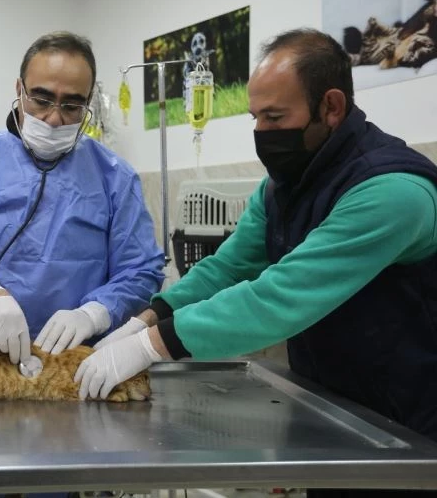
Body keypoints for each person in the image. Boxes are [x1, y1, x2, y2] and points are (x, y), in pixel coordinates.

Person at [76, 28, 437, 496]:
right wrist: (148, 316)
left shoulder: (392, 193)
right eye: (255, 118)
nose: (261, 134)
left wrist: (149, 346)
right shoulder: (284, 185)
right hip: (337, 403)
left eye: (275, 117)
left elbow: (278, 296)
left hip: (412, 420)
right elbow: (226, 268)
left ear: (331, 107)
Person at [0, 32, 164, 367]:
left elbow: (141, 269)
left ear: (88, 104)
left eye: (71, 105)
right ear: (19, 91)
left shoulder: (114, 178)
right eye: (41, 99)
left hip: (73, 364)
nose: (54, 119)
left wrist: (95, 313)